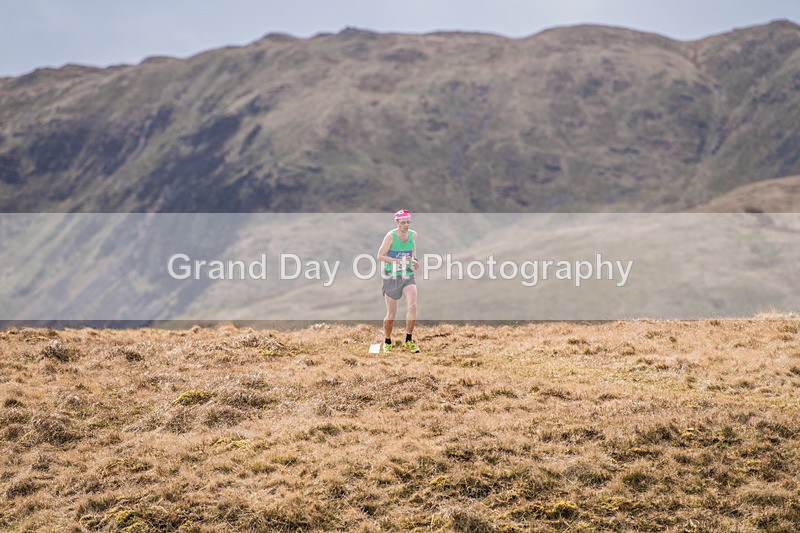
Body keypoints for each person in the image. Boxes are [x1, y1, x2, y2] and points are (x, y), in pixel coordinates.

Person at [376, 209, 420, 353]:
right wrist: (395, 261)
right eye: (403, 223)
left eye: (408, 222)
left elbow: (412, 251)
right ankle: (387, 341)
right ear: (397, 222)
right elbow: (380, 256)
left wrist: (414, 260)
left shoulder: (413, 235)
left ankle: (409, 340)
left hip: (407, 275)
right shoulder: (390, 237)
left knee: (412, 306)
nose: (406, 225)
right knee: (391, 313)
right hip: (391, 276)